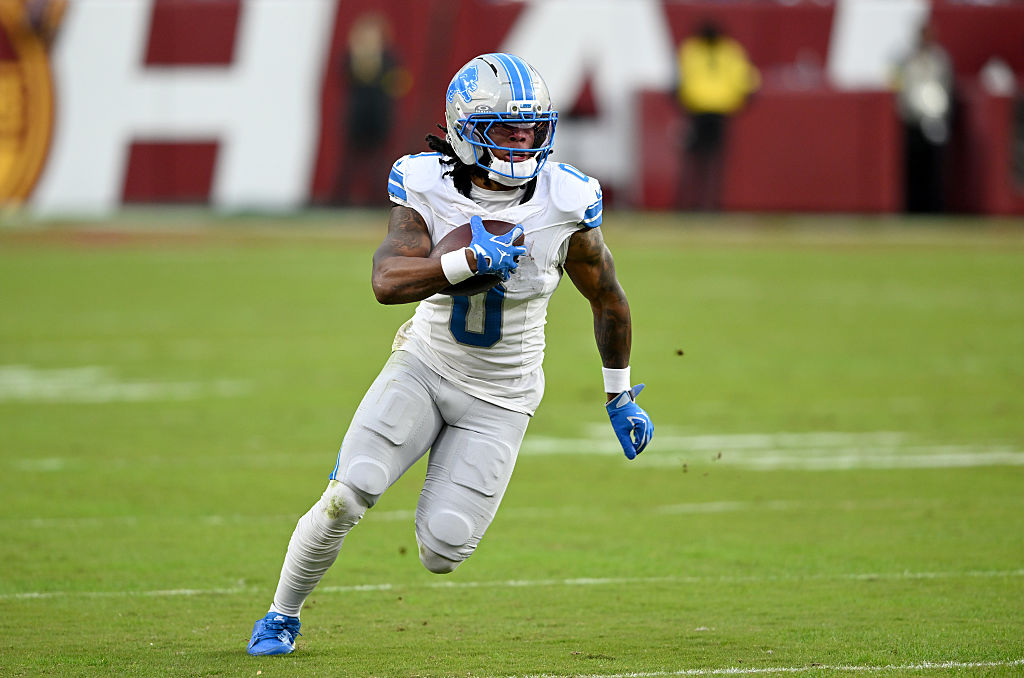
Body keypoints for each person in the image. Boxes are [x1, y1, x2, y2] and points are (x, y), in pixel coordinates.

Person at [246, 53, 654, 656]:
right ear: (465, 128)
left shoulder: (567, 200)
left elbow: (609, 299)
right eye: (504, 131)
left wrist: (619, 393)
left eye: (531, 130)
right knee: (346, 494)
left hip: (504, 395)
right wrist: (462, 262)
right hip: (426, 364)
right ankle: (281, 615)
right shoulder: (426, 183)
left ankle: (438, 475)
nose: (521, 144)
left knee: (444, 548)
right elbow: (387, 281)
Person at [676, 21, 759, 211]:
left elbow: (680, 80)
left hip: (696, 111)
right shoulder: (730, 51)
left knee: (695, 160)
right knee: (715, 161)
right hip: (720, 111)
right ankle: (711, 204)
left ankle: (690, 204)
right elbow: (747, 81)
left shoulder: (691, 49)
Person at [893, 23, 954, 213]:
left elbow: (947, 88)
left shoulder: (940, 60)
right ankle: (912, 208)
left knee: (934, 168)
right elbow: (900, 88)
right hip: (912, 121)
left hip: (936, 120)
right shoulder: (907, 60)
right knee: (912, 167)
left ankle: (934, 208)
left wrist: (942, 115)